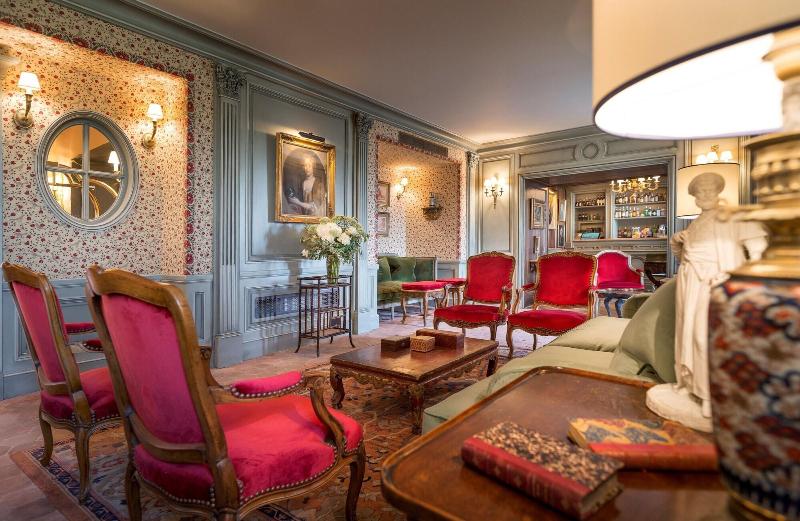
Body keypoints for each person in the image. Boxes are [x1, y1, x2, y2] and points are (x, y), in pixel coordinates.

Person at [647, 172, 767, 430]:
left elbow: (757, 246)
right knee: (687, 334)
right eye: (699, 191)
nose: (703, 195)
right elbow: (685, 255)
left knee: (706, 336)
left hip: (714, 282)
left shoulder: (732, 216)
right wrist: (677, 242)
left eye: (708, 190)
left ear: (718, 191)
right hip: (690, 281)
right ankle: (689, 384)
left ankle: (711, 396)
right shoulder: (697, 222)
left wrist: (747, 278)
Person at [283, 153, 327, 217]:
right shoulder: (302, 183)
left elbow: (313, 207)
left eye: (309, 166)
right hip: (303, 216)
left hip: (316, 216)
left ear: (313, 167)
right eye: (305, 165)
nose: (307, 168)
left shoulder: (319, 184)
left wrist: (297, 202)